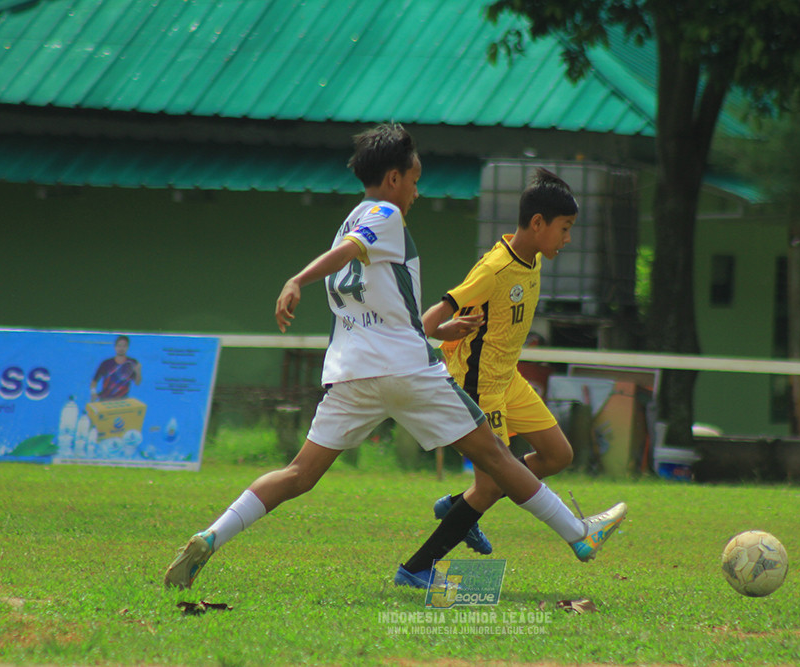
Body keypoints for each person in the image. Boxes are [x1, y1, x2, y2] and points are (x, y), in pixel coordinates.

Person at [163, 123, 625, 590]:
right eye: (415, 180)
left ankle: (211, 535)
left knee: (298, 473)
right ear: (392, 179)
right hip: (405, 371)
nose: (417, 192)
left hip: (350, 375)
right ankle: (579, 534)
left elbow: (373, 293)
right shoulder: (382, 214)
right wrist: (296, 280)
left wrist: (439, 330)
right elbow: (349, 253)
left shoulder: (348, 219)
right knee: (498, 460)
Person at [394, 168, 589, 580]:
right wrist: (421, 335)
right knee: (490, 486)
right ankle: (416, 568)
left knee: (558, 455)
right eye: (564, 229)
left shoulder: (532, 258)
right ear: (538, 224)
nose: (567, 239)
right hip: (479, 385)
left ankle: (460, 505)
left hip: (509, 379)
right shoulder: (494, 269)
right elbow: (439, 311)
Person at [90, 335, 142, 401]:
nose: (121, 348)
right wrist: (93, 393)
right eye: (119, 346)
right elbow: (94, 381)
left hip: (122, 401)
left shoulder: (132, 363)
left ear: (127, 347)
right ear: (115, 347)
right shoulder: (106, 363)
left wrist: (138, 372)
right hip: (105, 400)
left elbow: (137, 383)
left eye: (124, 346)